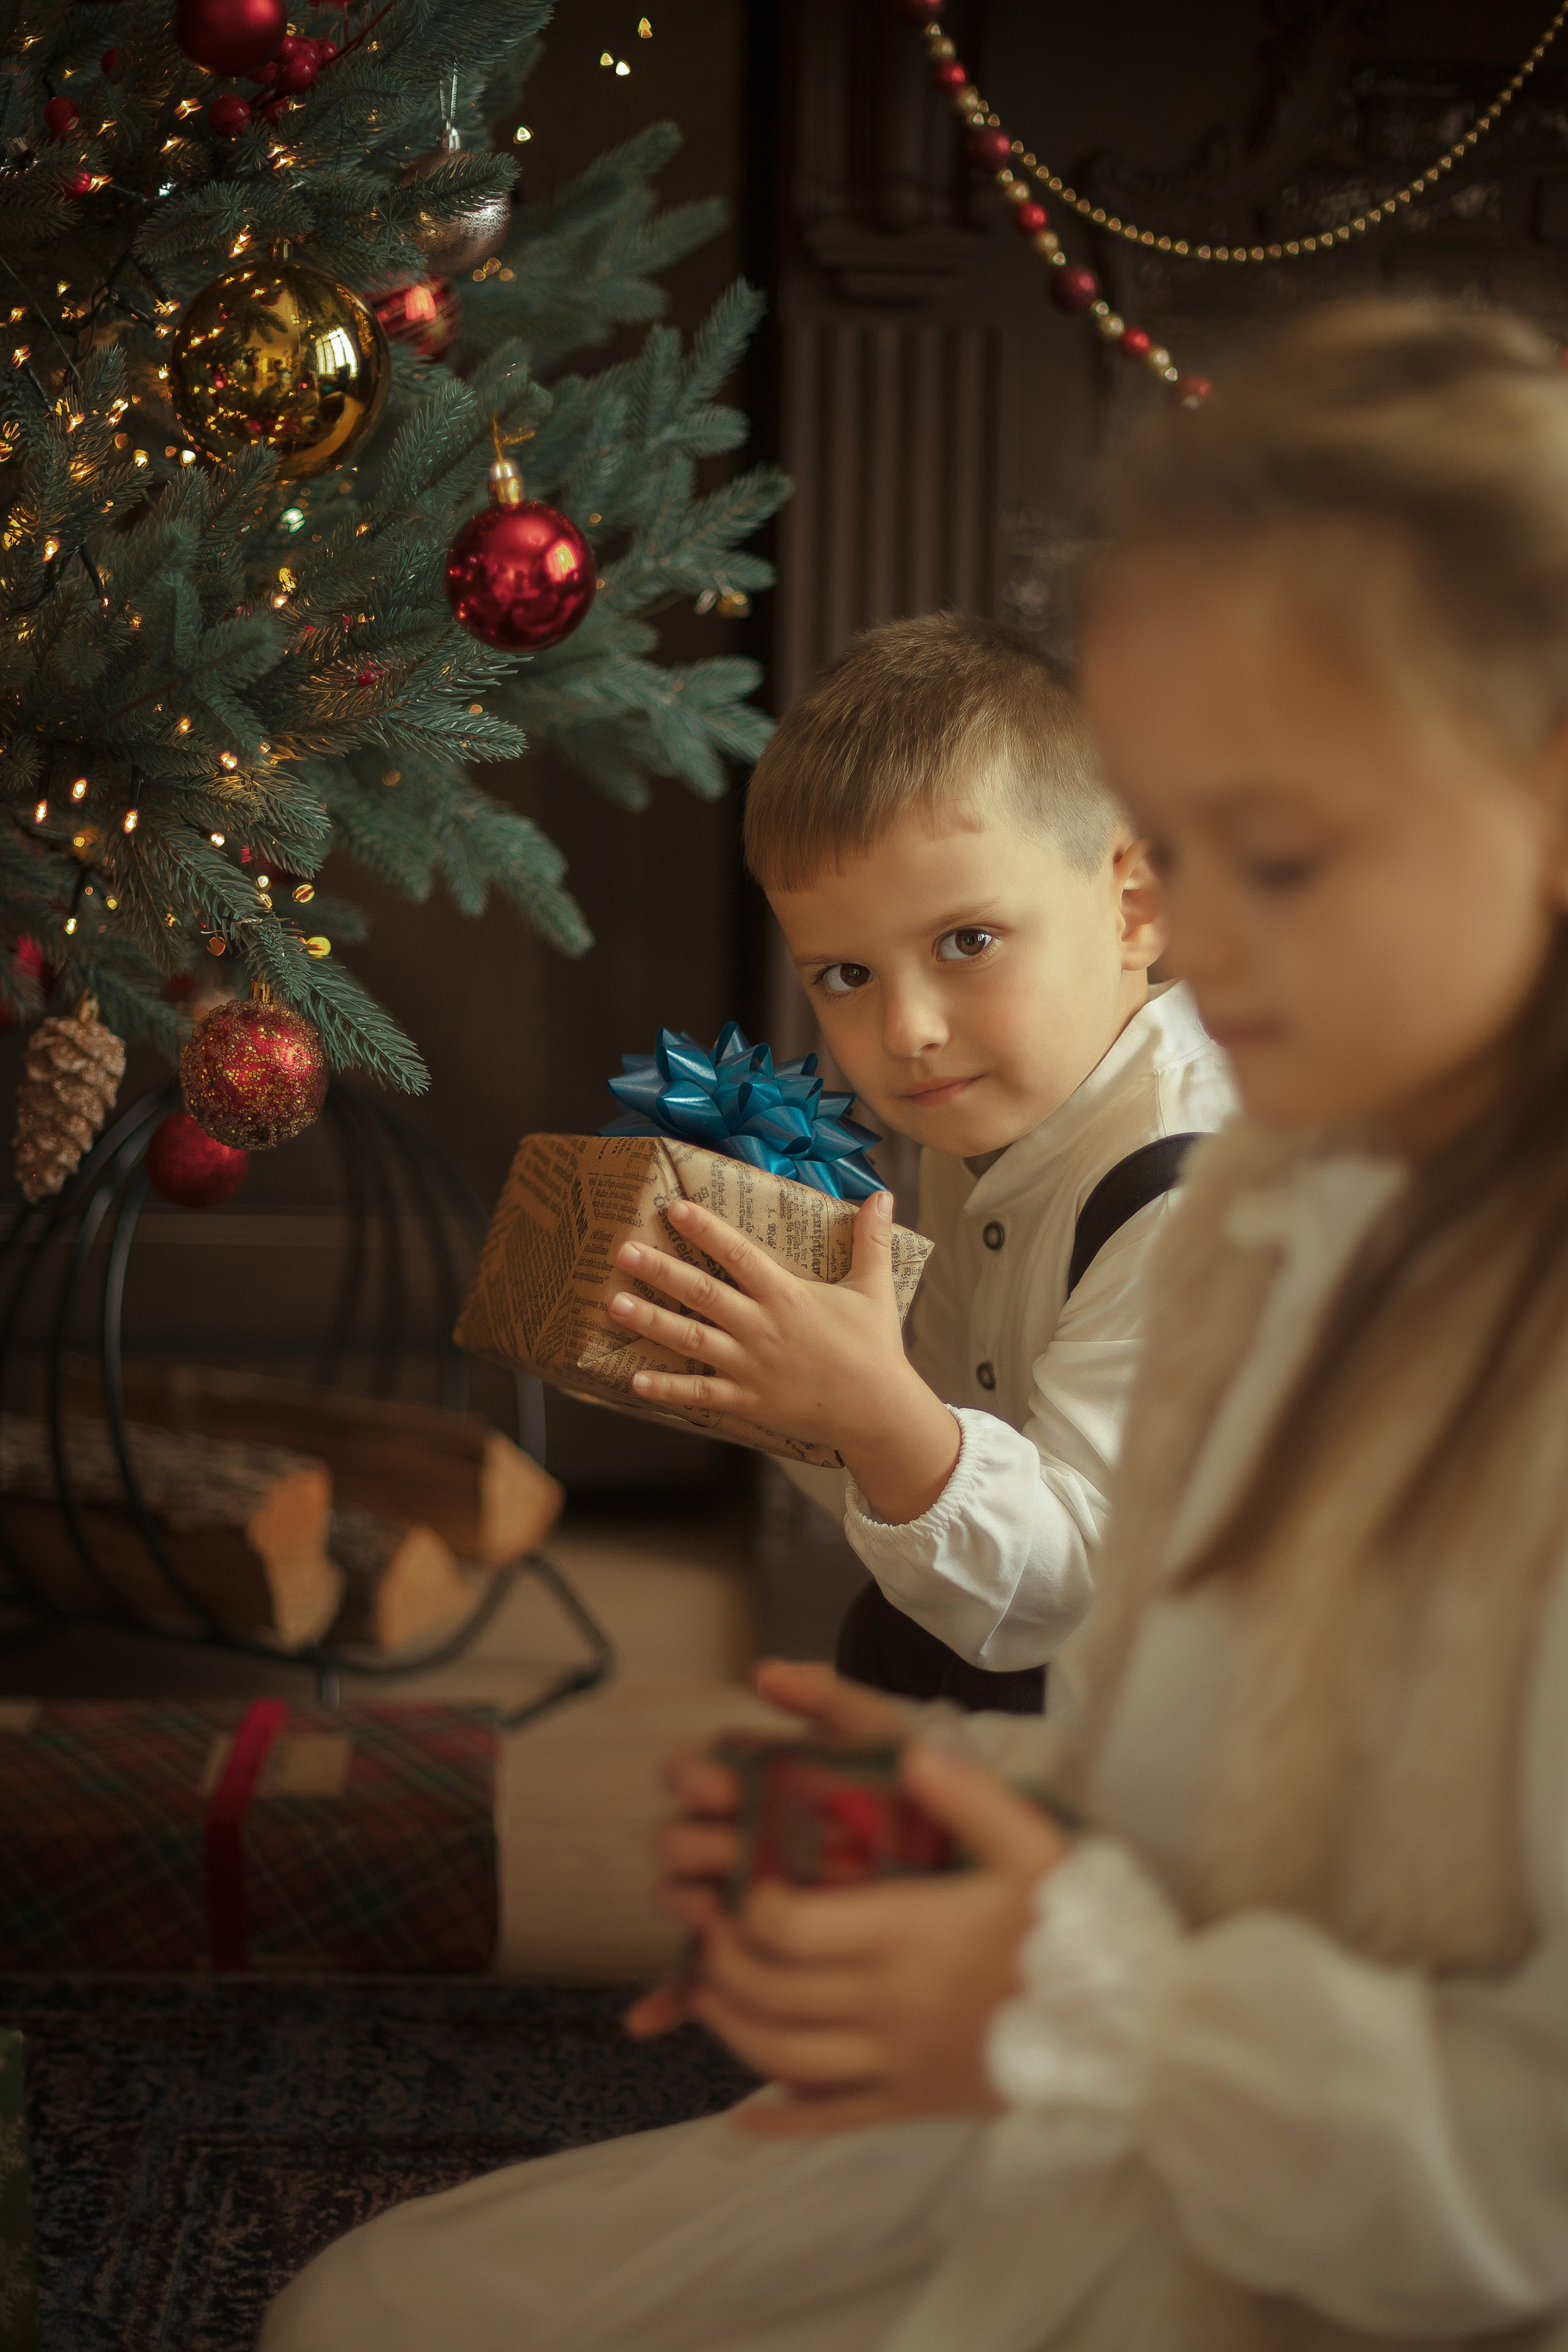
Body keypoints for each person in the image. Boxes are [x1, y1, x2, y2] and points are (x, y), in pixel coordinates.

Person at [265, 296, 1568, 2351]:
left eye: (1279, 848)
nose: (1204, 946)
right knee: (367, 2309)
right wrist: (992, 1818)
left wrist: (1061, 1992)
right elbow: (1216, 1752)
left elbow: (1514, 2168)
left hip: (1310, 2222)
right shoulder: (1289, 1211)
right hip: (1126, 2089)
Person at [616, 615, 1234, 1711]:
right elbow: (952, 1427)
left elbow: (1075, 1592)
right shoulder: (994, 1110)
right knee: (887, 1648)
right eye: (845, 973)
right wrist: (777, 1374)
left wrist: (875, 1416)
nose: (905, 1031)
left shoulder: (1192, 1195)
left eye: (967, 943)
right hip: (1032, 1633)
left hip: (1205, 1713)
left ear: (1134, 905)